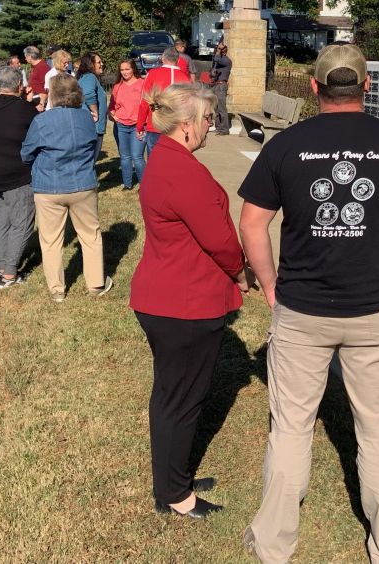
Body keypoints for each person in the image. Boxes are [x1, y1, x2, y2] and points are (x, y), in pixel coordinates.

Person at [239, 44, 379, 564]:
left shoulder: (287, 145)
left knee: (290, 426)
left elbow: (253, 222)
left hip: (302, 308)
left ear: (314, 87)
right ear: (367, 86)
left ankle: (273, 543)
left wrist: (269, 284)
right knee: (377, 429)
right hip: (372, 310)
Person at [130, 83, 249, 518]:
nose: (209, 128)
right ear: (185, 126)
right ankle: (175, 496)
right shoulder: (181, 170)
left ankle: (172, 478)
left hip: (168, 296)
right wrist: (241, 271)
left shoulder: (166, 158)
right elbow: (218, 238)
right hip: (184, 303)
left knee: (171, 396)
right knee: (181, 400)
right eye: (205, 120)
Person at [20, 74, 110, 302]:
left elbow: (26, 153)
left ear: (52, 94)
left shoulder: (41, 121)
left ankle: (57, 290)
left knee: (50, 240)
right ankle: (96, 284)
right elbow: (92, 147)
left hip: (49, 186)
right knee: (90, 235)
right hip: (82, 183)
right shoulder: (86, 119)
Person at [0, 66, 37, 288]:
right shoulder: (23, 109)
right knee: (22, 223)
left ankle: (3, 266)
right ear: (18, 86)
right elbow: (37, 123)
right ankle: (10, 274)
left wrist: (23, 99)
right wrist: (29, 102)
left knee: (3, 222)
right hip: (16, 173)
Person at [137, 48, 187, 154]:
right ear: (177, 60)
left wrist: (140, 125)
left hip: (155, 125)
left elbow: (144, 101)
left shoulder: (153, 74)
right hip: (176, 127)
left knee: (154, 162)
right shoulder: (185, 78)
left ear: (163, 59)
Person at [109, 59, 147, 190]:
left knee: (137, 156)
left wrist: (143, 123)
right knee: (125, 157)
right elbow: (112, 105)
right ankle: (127, 184)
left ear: (133, 69)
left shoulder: (142, 83)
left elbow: (147, 104)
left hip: (138, 126)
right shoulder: (117, 86)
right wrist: (114, 115)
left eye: (127, 69)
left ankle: (144, 185)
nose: (124, 72)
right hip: (122, 126)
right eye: (122, 70)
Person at [77, 50, 109, 150]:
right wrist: (95, 112)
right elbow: (89, 94)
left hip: (91, 126)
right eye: (99, 62)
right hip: (92, 127)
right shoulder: (89, 77)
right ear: (91, 64)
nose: (102, 64)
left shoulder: (86, 77)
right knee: (90, 160)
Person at [210, 41, 232, 135]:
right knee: (216, 108)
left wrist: (219, 50)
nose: (217, 51)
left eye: (219, 50)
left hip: (221, 86)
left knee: (222, 108)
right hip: (216, 85)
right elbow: (214, 60)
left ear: (224, 52)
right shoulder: (218, 61)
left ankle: (224, 129)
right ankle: (218, 127)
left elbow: (216, 58)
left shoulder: (226, 60)